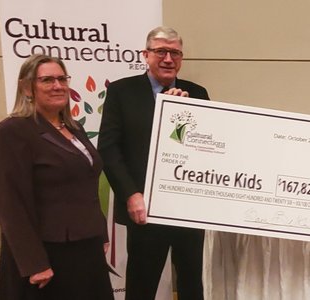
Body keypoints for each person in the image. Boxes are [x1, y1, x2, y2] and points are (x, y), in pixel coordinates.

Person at [98, 26, 209, 300]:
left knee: (192, 284)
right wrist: (131, 195)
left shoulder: (197, 93)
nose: (168, 59)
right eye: (161, 51)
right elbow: (109, 150)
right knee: (141, 285)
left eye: (175, 53)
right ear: (146, 55)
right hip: (145, 209)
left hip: (188, 209)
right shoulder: (122, 92)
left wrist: (186, 114)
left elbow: (206, 149)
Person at [0, 54, 113, 299]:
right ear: (27, 87)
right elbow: (10, 204)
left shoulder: (74, 128)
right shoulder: (12, 131)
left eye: (62, 78)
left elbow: (85, 183)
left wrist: (100, 232)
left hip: (85, 247)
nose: (58, 86)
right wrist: (34, 263)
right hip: (48, 254)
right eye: (47, 80)